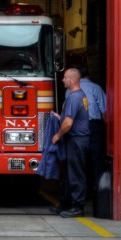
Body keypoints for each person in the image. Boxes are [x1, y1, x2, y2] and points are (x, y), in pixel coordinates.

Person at [51, 67, 90, 218]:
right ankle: (66, 204)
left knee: (76, 174)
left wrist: (57, 135)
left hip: (76, 141)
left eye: (65, 77)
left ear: (73, 80)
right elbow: (68, 118)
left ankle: (78, 206)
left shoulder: (74, 97)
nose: (62, 80)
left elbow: (68, 123)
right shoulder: (80, 95)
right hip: (76, 140)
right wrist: (58, 116)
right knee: (68, 174)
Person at [79, 66, 108, 194]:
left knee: (79, 159)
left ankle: (81, 191)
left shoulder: (71, 90)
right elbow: (105, 112)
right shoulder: (96, 88)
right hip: (95, 126)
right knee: (97, 158)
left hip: (77, 127)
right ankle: (98, 191)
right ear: (88, 74)